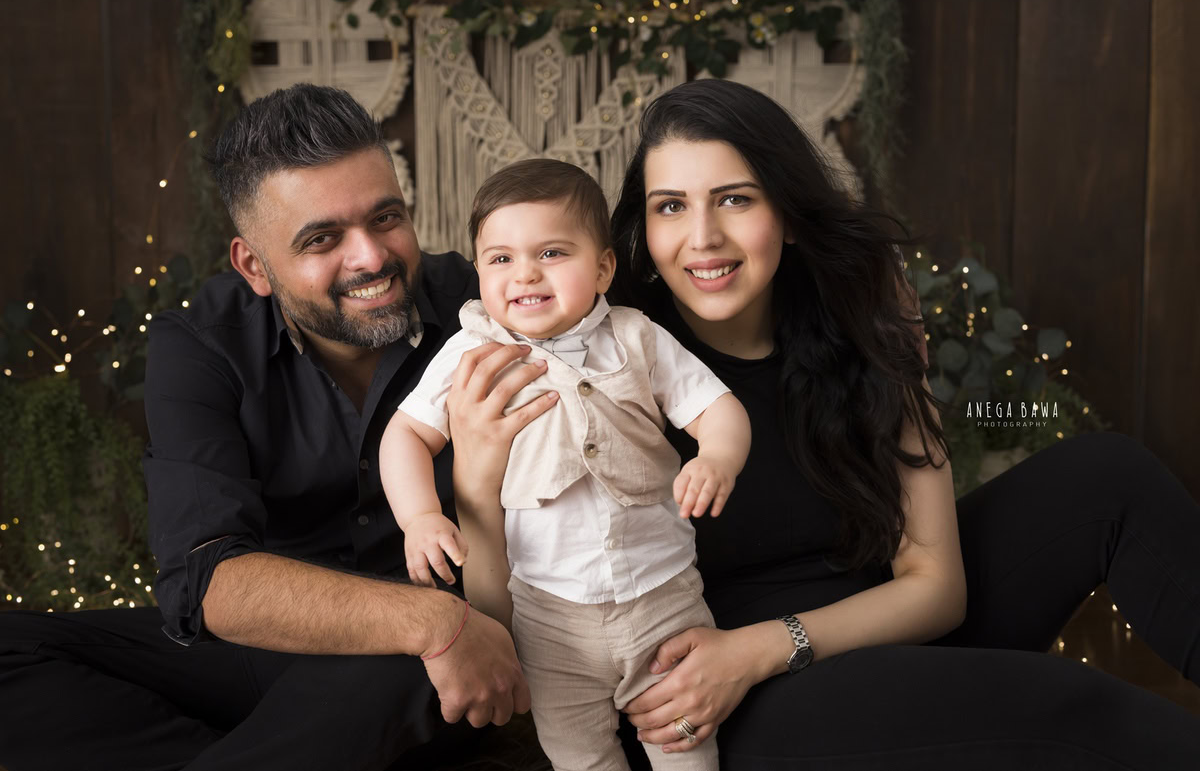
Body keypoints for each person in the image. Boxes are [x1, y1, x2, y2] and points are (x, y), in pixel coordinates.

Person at [448, 78, 1200, 770]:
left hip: (827, 636)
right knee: (1072, 702)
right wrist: (475, 485)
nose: (702, 237)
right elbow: (507, 621)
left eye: (736, 199)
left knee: (1110, 476)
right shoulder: (603, 358)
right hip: (716, 696)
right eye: (671, 205)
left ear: (789, 213)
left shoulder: (860, 319)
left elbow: (937, 588)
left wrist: (761, 648)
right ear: (637, 232)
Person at [0, 84, 552, 770]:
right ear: (254, 266)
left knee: (408, 656)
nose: (372, 257)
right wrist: (427, 619)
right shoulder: (201, 342)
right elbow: (205, 578)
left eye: (387, 218)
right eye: (323, 238)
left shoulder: (496, 306)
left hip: (426, 664)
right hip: (275, 653)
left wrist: (439, 620)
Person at [380, 158, 751, 771]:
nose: (524, 273)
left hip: (664, 595)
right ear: (480, 273)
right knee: (578, 753)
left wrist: (717, 455)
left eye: (552, 253)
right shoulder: (471, 351)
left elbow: (719, 408)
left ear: (602, 267)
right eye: (500, 259)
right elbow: (405, 437)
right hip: (550, 615)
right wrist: (419, 516)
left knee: (684, 741)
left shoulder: (636, 337)